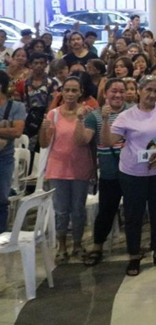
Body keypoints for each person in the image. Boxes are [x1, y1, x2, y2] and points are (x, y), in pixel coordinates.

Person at [107, 75, 156, 276]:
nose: (152, 94)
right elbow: (108, 140)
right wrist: (106, 119)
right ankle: (134, 255)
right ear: (139, 91)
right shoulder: (126, 115)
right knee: (134, 215)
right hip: (133, 172)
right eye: (148, 89)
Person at [39, 76, 96, 263]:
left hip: (80, 167)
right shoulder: (53, 115)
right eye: (67, 90)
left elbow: (89, 141)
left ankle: (78, 244)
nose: (70, 94)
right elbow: (44, 143)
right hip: (58, 168)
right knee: (61, 210)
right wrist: (42, 129)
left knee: (78, 209)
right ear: (61, 92)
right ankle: (62, 245)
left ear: (80, 92)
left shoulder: (87, 113)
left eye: (74, 90)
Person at [76, 77, 127, 266]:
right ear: (105, 93)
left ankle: (134, 247)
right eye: (114, 91)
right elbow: (83, 140)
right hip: (109, 171)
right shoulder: (94, 116)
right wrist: (79, 120)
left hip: (132, 171)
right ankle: (97, 246)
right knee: (106, 210)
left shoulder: (133, 112)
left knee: (133, 210)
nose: (118, 95)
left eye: (122, 91)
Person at [0, 70, 27, 235]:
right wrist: (4, 130)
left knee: (1, 198)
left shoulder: (16, 106)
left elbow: (17, 132)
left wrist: (8, 131)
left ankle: (1, 234)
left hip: (4, 159)